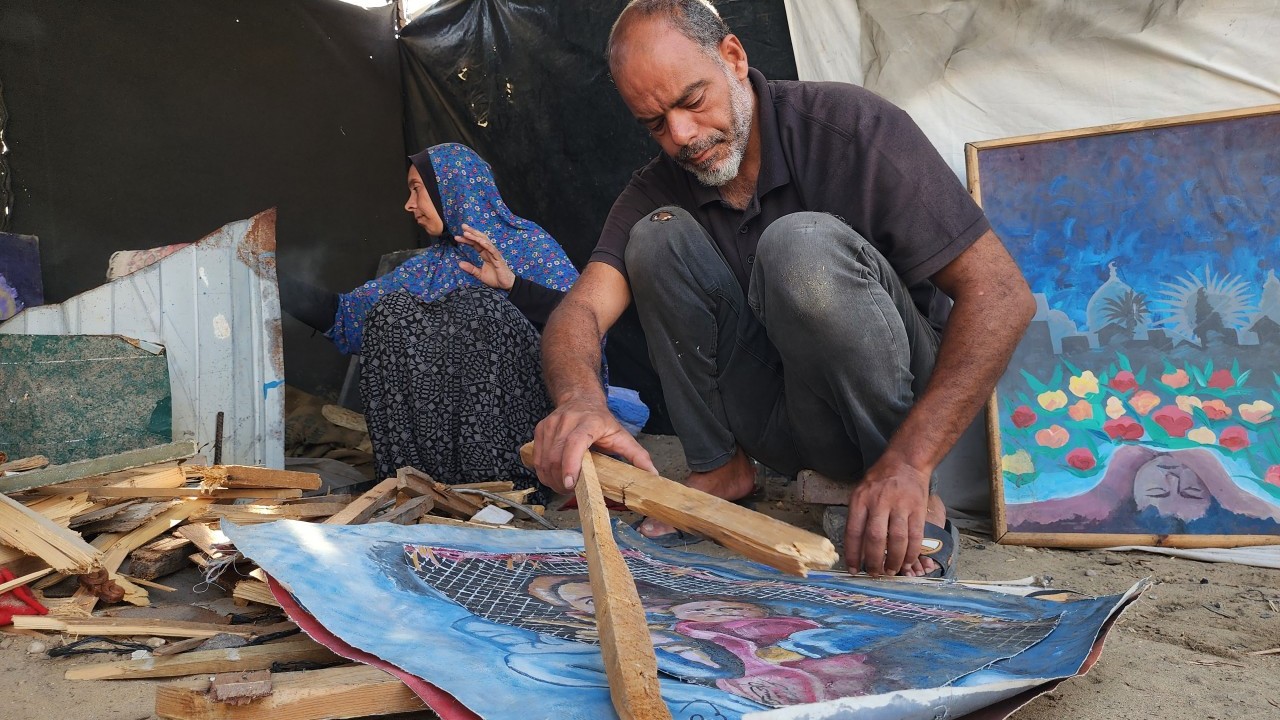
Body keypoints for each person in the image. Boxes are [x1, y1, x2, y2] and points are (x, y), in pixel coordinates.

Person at [531, 0, 1035, 577]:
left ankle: (904, 495)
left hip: (896, 409)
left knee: (798, 246)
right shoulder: (660, 183)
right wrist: (580, 401)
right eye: (654, 123)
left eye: (692, 101)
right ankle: (720, 467)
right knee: (656, 237)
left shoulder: (851, 127)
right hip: (786, 419)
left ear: (734, 57)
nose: (682, 135)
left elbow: (1001, 295)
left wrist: (911, 460)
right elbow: (582, 311)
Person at [279, 143, 579, 494]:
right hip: (433, 452)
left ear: (451, 188)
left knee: (477, 307)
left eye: (416, 189)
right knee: (390, 313)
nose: (409, 205)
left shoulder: (528, 246)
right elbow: (348, 315)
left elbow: (582, 325)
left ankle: (503, 482)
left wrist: (512, 287)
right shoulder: (427, 268)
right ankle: (412, 481)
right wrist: (272, 282)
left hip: (518, 435)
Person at [1006, 445, 1280, 534]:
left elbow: (1025, 514)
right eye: (1191, 492)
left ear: (1132, 497)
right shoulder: (1212, 465)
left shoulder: (1111, 486)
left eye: (1159, 493)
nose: (1173, 480)